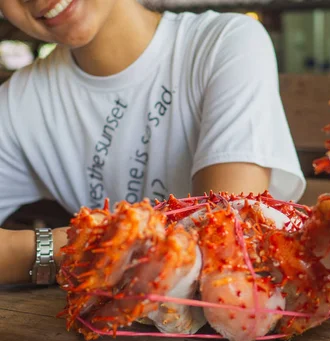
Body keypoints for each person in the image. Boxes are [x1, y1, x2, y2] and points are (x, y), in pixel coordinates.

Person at [0, 0, 306, 285]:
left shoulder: (225, 43)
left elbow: (224, 246)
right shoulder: (19, 103)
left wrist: (81, 247)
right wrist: (57, 249)